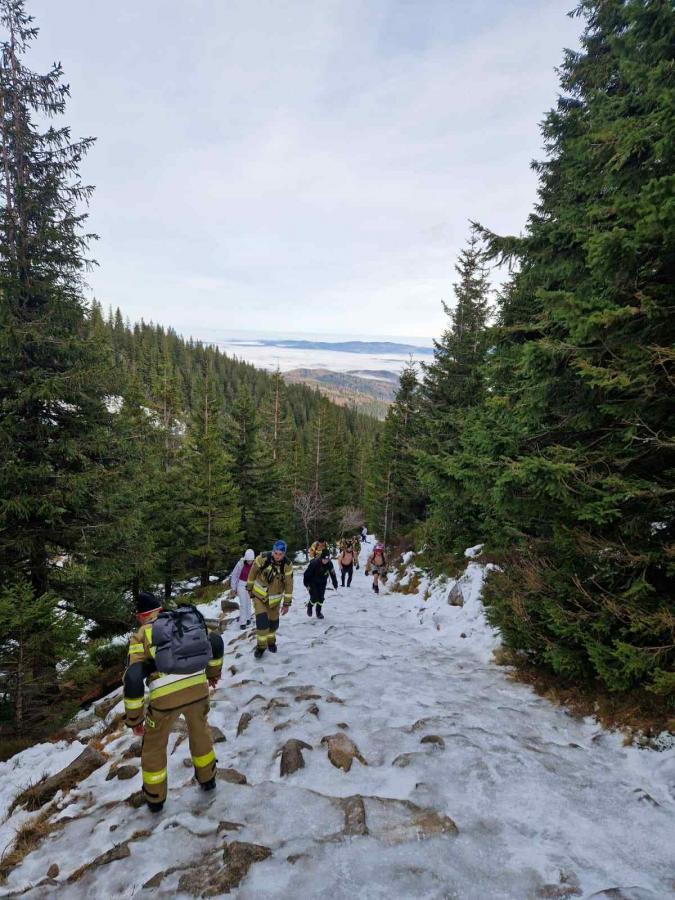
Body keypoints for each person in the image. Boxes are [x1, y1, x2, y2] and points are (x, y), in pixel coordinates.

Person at [122, 591, 224, 813]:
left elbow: (133, 677)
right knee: (200, 732)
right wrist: (213, 674)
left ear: (141, 616)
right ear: (160, 608)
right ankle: (208, 779)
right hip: (198, 689)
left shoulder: (141, 634)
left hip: (164, 699)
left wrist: (135, 720)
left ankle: (155, 799)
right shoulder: (185, 619)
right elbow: (215, 641)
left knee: (154, 746)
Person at [247, 540, 293, 658]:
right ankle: (261, 647)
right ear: (272, 551)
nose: (277, 556)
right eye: (275, 553)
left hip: (274, 600)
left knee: (273, 624)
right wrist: (249, 589)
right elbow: (252, 574)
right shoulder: (262, 558)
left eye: (280, 554)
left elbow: (289, 585)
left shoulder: (287, 565)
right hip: (259, 597)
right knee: (262, 623)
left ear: (284, 554)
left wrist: (286, 604)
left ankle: (271, 642)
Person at [303, 548, 338, 619]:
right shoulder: (314, 564)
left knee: (321, 598)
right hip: (312, 582)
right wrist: (306, 585)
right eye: (324, 559)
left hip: (322, 583)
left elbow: (333, 574)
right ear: (321, 558)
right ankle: (310, 606)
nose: (326, 561)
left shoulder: (330, 564)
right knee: (314, 597)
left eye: (327, 559)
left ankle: (318, 612)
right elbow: (306, 575)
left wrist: (335, 583)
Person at [229, 548, 255, 629]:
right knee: (243, 603)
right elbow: (234, 575)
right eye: (248, 560)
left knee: (248, 602)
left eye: (251, 560)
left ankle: (248, 618)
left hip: (250, 584)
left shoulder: (255, 564)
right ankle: (242, 622)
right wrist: (233, 588)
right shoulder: (240, 564)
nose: (249, 562)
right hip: (241, 584)